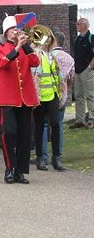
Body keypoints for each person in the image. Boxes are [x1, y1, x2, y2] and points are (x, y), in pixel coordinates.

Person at [0, 15, 40, 184]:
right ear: (6, 33)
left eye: (17, 29)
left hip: (25, 97)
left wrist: (25, 45)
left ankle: (20, 171)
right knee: (9, 132)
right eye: (12, 29)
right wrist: (17, 47)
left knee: (25, 135)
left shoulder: (26, 48)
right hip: (7, 98)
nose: (15, 31)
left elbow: (35, 62)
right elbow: (2, 64)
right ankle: (9, 168)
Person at [41, 31, 75, 169]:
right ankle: (57, 158)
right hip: (61, 95)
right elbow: (71, 79)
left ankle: (43, 157)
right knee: (58, 126)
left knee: (43, 125)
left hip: (46, 94)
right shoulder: (69, 58)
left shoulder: (47, 56)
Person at [32, 29, 64, 171]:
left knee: (56, 124)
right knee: (40, 126)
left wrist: (61, 92)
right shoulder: (38, 54)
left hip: (53, 95)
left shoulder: (53, 56)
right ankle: (40, 158)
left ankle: (56, 157)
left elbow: (58, 76)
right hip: (40, 96)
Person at [69, 18, 94, 129]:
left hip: (87, 71)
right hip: (78, 71)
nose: (76, 25)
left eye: (78, 24)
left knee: (90, 96)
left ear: (85, 25)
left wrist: (89, 67)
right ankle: (80, 120)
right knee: (79, 96)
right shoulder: (78, 39)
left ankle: (92, 120)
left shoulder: (91, 38)